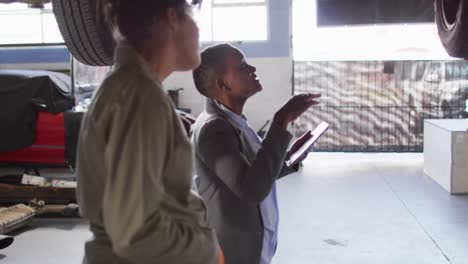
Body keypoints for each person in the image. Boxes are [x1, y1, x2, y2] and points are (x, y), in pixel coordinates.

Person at [75, 1, 223, 263]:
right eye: (193, 15)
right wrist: (207, 251)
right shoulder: (141, 95)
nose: (198, 30)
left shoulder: (129, 86)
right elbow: (136, 234)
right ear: (172, 18)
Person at [191, 43, 320, 264]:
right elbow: (251, 189)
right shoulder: (214, 129)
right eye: (242, 67)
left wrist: (289, 158)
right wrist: (281, 120)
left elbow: (255, 172)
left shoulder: (233, 121)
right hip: (232, 254)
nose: (252, 68)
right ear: (223, 84)